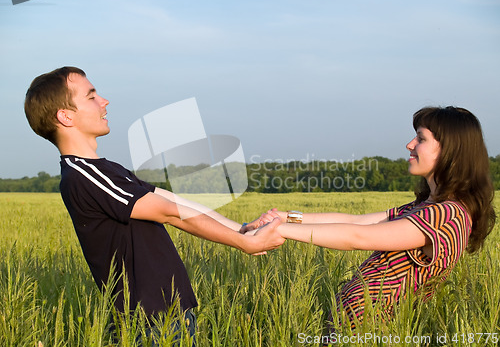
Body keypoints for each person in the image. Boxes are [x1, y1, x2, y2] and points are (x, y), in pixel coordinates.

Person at [24, 66, 285, 345]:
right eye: (91, 96)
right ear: (65, 116)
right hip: (148, 323)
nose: (104, 101)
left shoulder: (108, 169)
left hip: (169, 315)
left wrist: (242, 229)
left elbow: (173, 200)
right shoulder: (83, 176)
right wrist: (243, 243)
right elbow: (170, 212)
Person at [242, 106, 496, 330]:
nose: (409, 145)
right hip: (356, 329)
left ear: (450, 150)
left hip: (370, 331)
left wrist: (281, 229)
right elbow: (356, 221)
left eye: (420, 139)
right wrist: (285, 216)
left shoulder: (446, 214)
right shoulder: (427, 207)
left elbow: (358, 236)